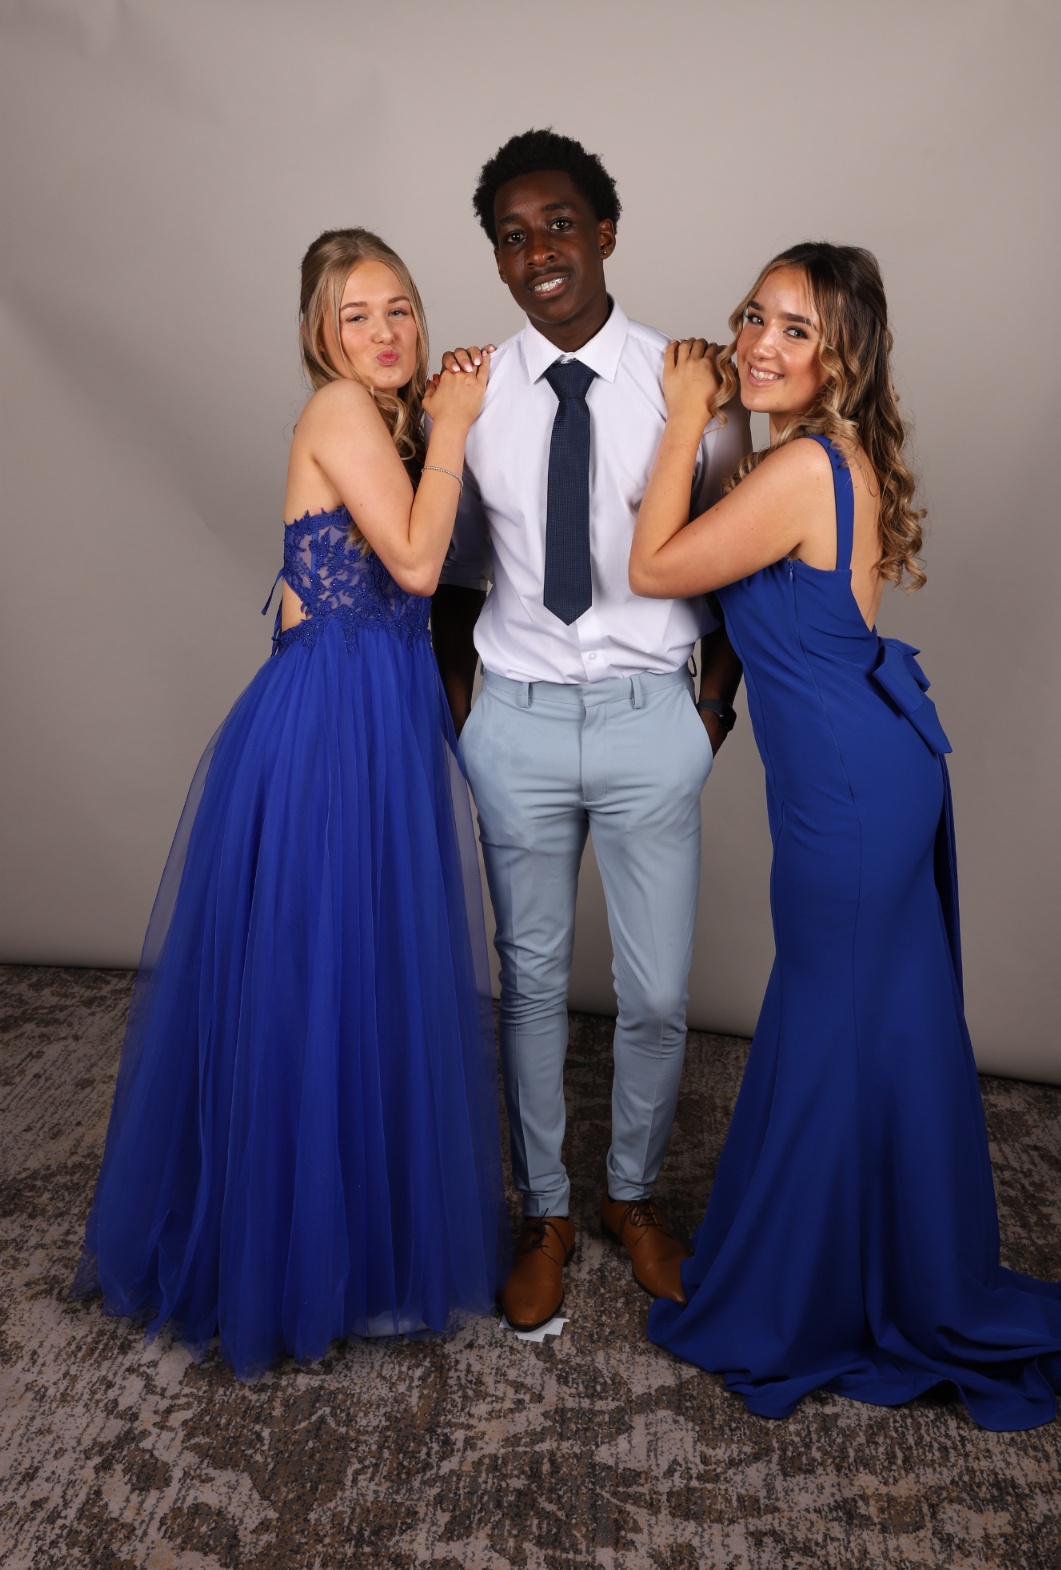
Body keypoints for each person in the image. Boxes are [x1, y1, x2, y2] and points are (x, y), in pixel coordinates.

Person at [630, 241, 1061, 1430]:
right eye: (753, 317)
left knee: (830, 1030)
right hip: (874, 767)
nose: (759, 344)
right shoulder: (823, 456)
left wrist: (686, 412)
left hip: (850, 798)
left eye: (795, 331)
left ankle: (807, 1297)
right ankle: (888, 1269)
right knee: (881, 1031)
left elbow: (655, 565)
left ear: (841, 360)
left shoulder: (803, 468)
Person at [74, 228, 506, 1379]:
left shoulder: (397, 422)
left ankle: (357, 1251)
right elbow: (415, 564)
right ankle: (286, 1259)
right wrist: (457, 425)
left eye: (399, 307)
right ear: (321, 333)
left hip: (381, 719)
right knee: (315, 983)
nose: (385, 330)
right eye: (358, 314)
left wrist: (459, 420)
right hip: (325, 729)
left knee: (368, 981)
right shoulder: (339, 411)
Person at [431, 129, 751, 1333]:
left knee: (657, 994)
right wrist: (467, 722)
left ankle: (633, 1193)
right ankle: (547, 1213)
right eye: (512, 237)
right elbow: (452, 576)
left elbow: (739, 568)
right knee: (527, 986)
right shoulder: (472, 395)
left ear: (604, 232)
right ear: (498, 260)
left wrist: (707, 714)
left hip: (647, 716)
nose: (538, 252)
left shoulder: (690, 384)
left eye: (558, 224)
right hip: (513, 722)